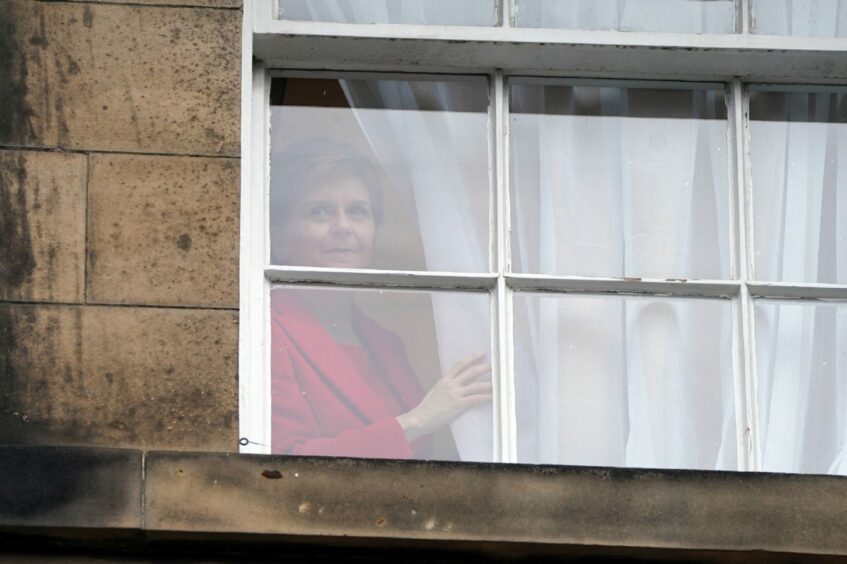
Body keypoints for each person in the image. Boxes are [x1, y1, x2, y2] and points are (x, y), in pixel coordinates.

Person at [269, 139, 492, 459]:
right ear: (280, 241)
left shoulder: (386, 344)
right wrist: (419, 420)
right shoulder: (268, 330)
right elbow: (283, 460)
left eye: (358, 212)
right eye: (319, 212)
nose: (343, 227)